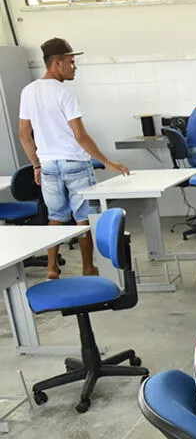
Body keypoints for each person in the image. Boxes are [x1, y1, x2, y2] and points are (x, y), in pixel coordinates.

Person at [18, 37, 130, 280]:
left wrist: (37, 164)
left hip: (47, 165)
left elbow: (24, 134)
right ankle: (88, 267)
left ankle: (51, 268)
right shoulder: (65, 93)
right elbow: (80, 136)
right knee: (83, 218)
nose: (74, 66)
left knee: (55, 217)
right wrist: (108, 162)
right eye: (71, 61)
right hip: (74, 164)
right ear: (56, 63)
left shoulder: (28, 91)